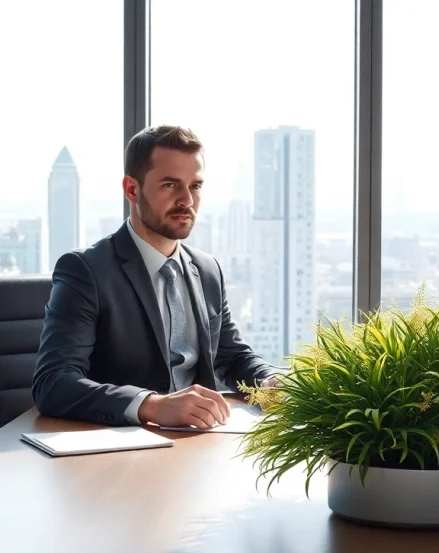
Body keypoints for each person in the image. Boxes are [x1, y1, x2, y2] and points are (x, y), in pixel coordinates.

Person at [33, 125, 280, 429]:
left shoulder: (207, 270)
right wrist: (152, 406)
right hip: (120, 450)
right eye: (170, 185)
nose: (187, 200)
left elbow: (231, 357)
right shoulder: (86, 270)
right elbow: (53, 383)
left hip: (200, 442)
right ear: (132, 189)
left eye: (196, 186)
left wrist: (272, 382)